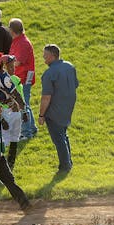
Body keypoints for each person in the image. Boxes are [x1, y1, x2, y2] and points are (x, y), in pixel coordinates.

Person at [38, 44, 79, 175]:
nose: (44, 59)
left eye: (45, 56)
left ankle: (65, 167)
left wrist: (41, 115)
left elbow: (46, 97)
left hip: (54, 110)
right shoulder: (70, 66)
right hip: (68, 107)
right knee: (63, 135)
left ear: (52, 56)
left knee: (59, 139)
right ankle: (68, 162)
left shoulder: (49, 73)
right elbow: (75, 85)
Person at [8, 18, 37, 140]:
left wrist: (6, 60)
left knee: (23, 105)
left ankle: (26, 132)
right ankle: (32, 128)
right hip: (20, 77)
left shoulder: (23, 43)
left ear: (12, 30)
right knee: (25, 104)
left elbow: (18, 62)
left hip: (24, 78)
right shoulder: (17, 41)